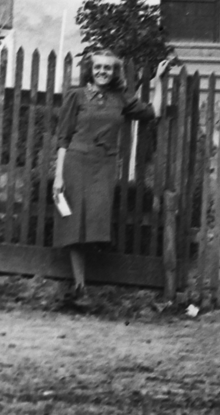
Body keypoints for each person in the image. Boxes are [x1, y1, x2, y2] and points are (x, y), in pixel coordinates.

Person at [51, 50, 155, 309]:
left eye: (108, 68)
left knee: (95, 220)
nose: (102, 72)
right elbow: (63, 138)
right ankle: (79, 287)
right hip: (75, 162)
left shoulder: (121, 98)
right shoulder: (76, 96)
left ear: (114, 72)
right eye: (98, 67)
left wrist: (160, 80)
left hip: (103, 167)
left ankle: (82, 284)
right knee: (74, 222)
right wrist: (59, 175)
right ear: (90, 69)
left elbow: (152, 112)